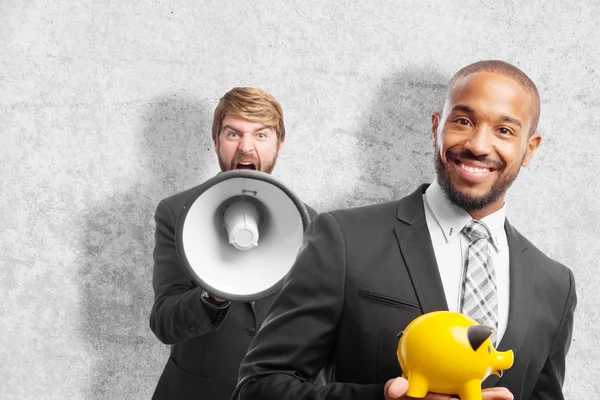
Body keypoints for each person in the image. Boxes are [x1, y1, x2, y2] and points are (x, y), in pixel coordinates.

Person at [231, 61, 577, 400]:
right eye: (463, 121)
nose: (478, 145)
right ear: (435, 128)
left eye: (504, 130)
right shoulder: (345, 239)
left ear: (529, 148)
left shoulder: (556, 286)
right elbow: (258, 387)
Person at [149, 87, 319, 399]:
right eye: (233, 134)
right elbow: (164, 323)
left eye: (261, 135)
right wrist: (210, 297)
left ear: (280, 145)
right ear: (215, 141)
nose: (246, 148)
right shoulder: (176, 212)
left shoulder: (315, 224)